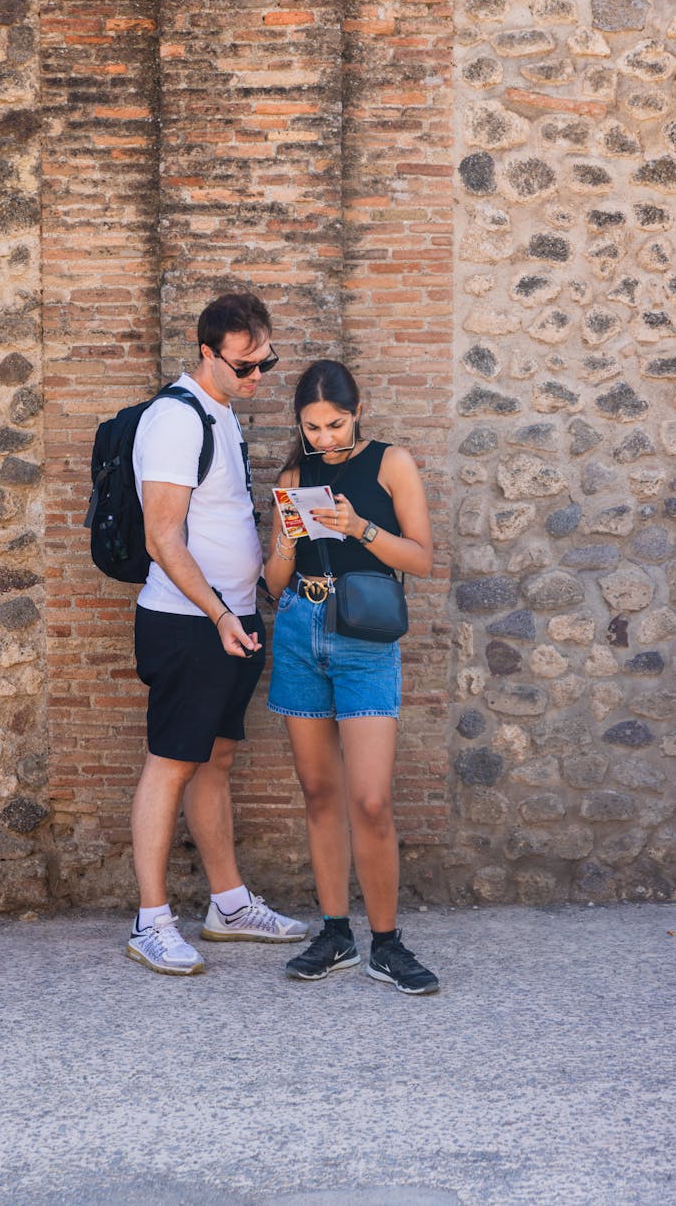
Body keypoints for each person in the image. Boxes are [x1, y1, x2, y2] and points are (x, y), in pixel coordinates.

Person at [126, 292, 307, 976]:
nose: (257, 377)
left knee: (217, 760)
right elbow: (162, 536)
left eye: (266, 363)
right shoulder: (174, 419)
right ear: (207, 353)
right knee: (171, 762)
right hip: (189, 623)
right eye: (244, 366)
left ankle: (228, 906)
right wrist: (221, 615)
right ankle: (150, 922)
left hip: (232, 619)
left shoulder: (221, 412)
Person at [263, 359, 439, 994]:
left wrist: (358, 527)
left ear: (356, 411)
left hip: (364, 636)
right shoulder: (294, 474)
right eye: (312, 429)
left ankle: (386, 945)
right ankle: (335, 933)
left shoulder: (392, 463)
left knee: (370, 799)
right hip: (299, 627)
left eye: (335, 425)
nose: (325, 440)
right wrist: (287, 534)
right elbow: (272, 582)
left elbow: (420, 558)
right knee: (318, 794)